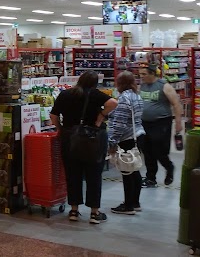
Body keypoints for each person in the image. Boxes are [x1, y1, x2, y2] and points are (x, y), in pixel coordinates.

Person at [50, 71, 118, 224]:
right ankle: (94, 213)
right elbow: (113, 103)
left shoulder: (65, 94)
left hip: (70, 139)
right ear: (95, 83)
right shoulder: (95, 94)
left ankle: (74, 210)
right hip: (93, 139)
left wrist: (61, 129)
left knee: (72, 175)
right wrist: (101, 116)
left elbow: (54, 116)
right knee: (94, 175)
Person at [138, 64, 183, 187]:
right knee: (146, 150)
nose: (141, 77)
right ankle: (150, 178)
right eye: (140, 74)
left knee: (159, 150)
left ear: (152, 73)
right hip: (144, 123)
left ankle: (169, 167)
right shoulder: (142, 86)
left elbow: (176, 104)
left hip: (161, 122)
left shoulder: (164, 86)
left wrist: (178, 122)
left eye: (144, 74)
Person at [107, 71, 145, 215]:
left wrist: (112, 142)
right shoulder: (137, 96)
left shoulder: (124, 98)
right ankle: (135, 202)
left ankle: (128, 205)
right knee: (134, 170)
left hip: (127, 138)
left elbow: (120, 123)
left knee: (126, 172)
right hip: (138, 135)